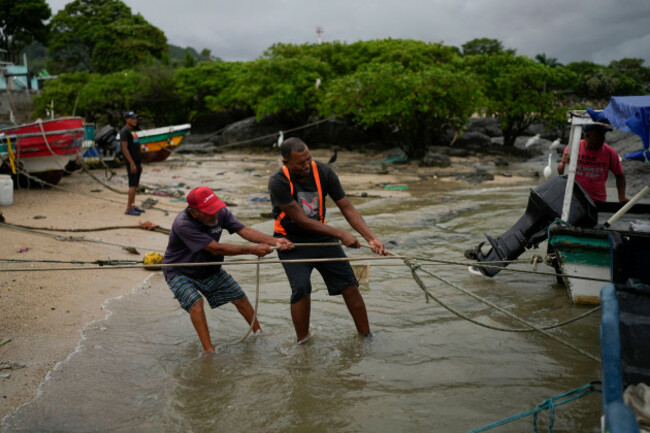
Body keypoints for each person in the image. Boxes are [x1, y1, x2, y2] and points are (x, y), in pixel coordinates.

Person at [268, 137, 387, 343]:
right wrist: (341, 234)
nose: (306, 166)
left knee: (350, 284)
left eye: (308, 160)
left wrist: (371, 238)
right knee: (301, 288)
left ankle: (367, 337)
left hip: (323, 238)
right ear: (286, 161)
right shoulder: (278, 181)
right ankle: (303, 343)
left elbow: (346, 206)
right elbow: (302, 220)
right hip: (291, 242)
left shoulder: (324, 172)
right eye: (300, 163)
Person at [163, 186, 294, 353]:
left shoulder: (220, 212)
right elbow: (215, 248)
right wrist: (252, 250)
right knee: (196, 302)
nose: (214, 215)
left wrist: (275, 241)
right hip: (180, 271)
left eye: (215, 209)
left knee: (240, 298)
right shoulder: (183, 223)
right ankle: (209, 351)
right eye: (209, 212)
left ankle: (259, 333)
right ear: (194, 212)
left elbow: (244, 230)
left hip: (209, 268)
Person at [557, 123, 629, 202]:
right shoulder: (573, 148)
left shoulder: (610, 152)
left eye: (603, 135)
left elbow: (619, 175)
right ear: (587, 136)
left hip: (597, 200)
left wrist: (621, 197)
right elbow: (561, 172)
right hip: (574, 199)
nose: (603, 139)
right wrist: (563, 164)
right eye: (598, 135)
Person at [120, 111, 145, 215]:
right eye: (133, 118)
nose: (135, 120)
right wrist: (132, 163)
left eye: (136, 118)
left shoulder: (132, 131)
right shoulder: (125, 131)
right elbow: (125, 149)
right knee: (132, 185)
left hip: (137, 162)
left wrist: (139, 163)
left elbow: (135, 147)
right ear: (126, 119)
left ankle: (133, 205)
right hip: (132, 163)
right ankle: (128, 208)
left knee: (135, 185)